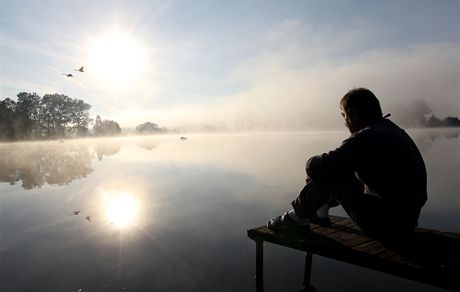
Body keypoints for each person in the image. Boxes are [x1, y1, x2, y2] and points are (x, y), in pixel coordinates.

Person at [268, 88, 427, 238]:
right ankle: (319, 211)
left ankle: (296, 217)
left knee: (329, 171)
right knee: (339, 167)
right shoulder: (393, 131)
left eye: (343, 116)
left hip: (388, 227)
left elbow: (314, 167)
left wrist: (312, 169)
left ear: (353, 115)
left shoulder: (365, 138)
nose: (345, 123)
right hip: (408, 221)